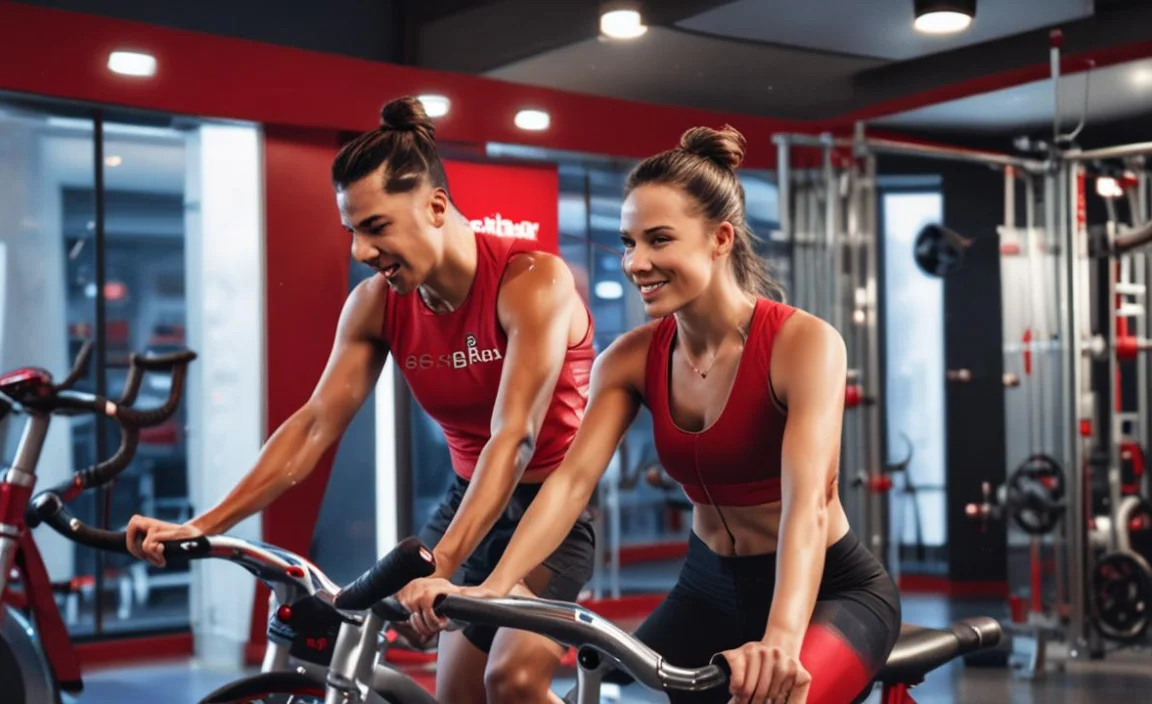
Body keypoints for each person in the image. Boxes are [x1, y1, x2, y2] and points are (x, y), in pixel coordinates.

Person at [404, 125, 902, 704]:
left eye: (659, 240)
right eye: (628, 242)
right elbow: (569, 484)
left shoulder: (804, 345)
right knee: (592, 692)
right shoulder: (633, 358)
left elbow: (809, 506)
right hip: (707, 589)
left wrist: (780, 640)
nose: (636, 262)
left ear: (720, 238)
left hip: (829, 594)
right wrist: (494, 586)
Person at [125, 96, 597, 704]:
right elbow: (315, 425)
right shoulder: (377, 304)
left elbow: (514, 435)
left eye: (376, 228)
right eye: (353, 231)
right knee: (456, 695)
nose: (360, 252)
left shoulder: (532, 282)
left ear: (434, 207)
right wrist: (202, 525)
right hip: (466, 498)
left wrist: (443, 565)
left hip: (548, 505)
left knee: (510, 682)